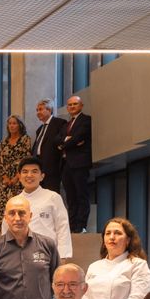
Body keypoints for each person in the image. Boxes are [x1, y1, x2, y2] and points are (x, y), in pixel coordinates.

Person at [10, 157, 73, 259]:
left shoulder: (53, 197)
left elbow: (63, 227)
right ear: (19, 176)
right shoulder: (14, 201)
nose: (29, 175)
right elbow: (6, 230)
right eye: (25, 172)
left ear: (42, 176)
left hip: (46, 254)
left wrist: (62, 256)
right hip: (18, 255)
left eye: (34, 171)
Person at [61, 95, 93, 232]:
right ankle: (72, 226)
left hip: (80, 163)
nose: (72, 107)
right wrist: (68, 141)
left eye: (75, 104)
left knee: (81, 195)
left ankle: (81, 226)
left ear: (81, 105)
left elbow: (78, 137)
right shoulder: (66, 124)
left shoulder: (86, 120)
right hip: (66, 164)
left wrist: (64, 144)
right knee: (70, 197)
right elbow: (57, 139)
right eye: (70, 105)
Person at [0, 116, 32, 216]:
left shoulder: (25, 139)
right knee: (4, 204)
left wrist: (17, 177)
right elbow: (0, 160)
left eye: (14, 123)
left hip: (20, 176)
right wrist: (5, 177)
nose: (11, 126)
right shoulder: (4, 142)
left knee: (19, 205)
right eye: (10, 123)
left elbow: (26, 159)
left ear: (20, 125)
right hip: (6, 178)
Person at [32, 98, 67, 193]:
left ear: (49, 110)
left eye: (40, 109)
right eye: (37, 110)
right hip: (39, 168)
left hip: (52, 168)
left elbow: (61, 142)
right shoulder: (40, 129)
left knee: (51, 195)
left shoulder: (59, 123)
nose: (38, 112)